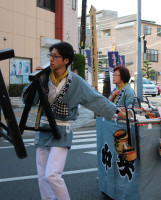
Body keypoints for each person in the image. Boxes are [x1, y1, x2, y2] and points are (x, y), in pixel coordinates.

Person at [22, 42, 126, 200]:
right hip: (43, 129)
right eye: (51, 55)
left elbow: (94, 98)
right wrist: (34, 82)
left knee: (52, 175)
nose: (51, 59)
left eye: (56, 56)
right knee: (42, 176)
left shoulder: (75, 81)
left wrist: (117, 111)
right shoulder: (44, 77)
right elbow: (29, 100)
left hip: (62, 131)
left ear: (66, 60)